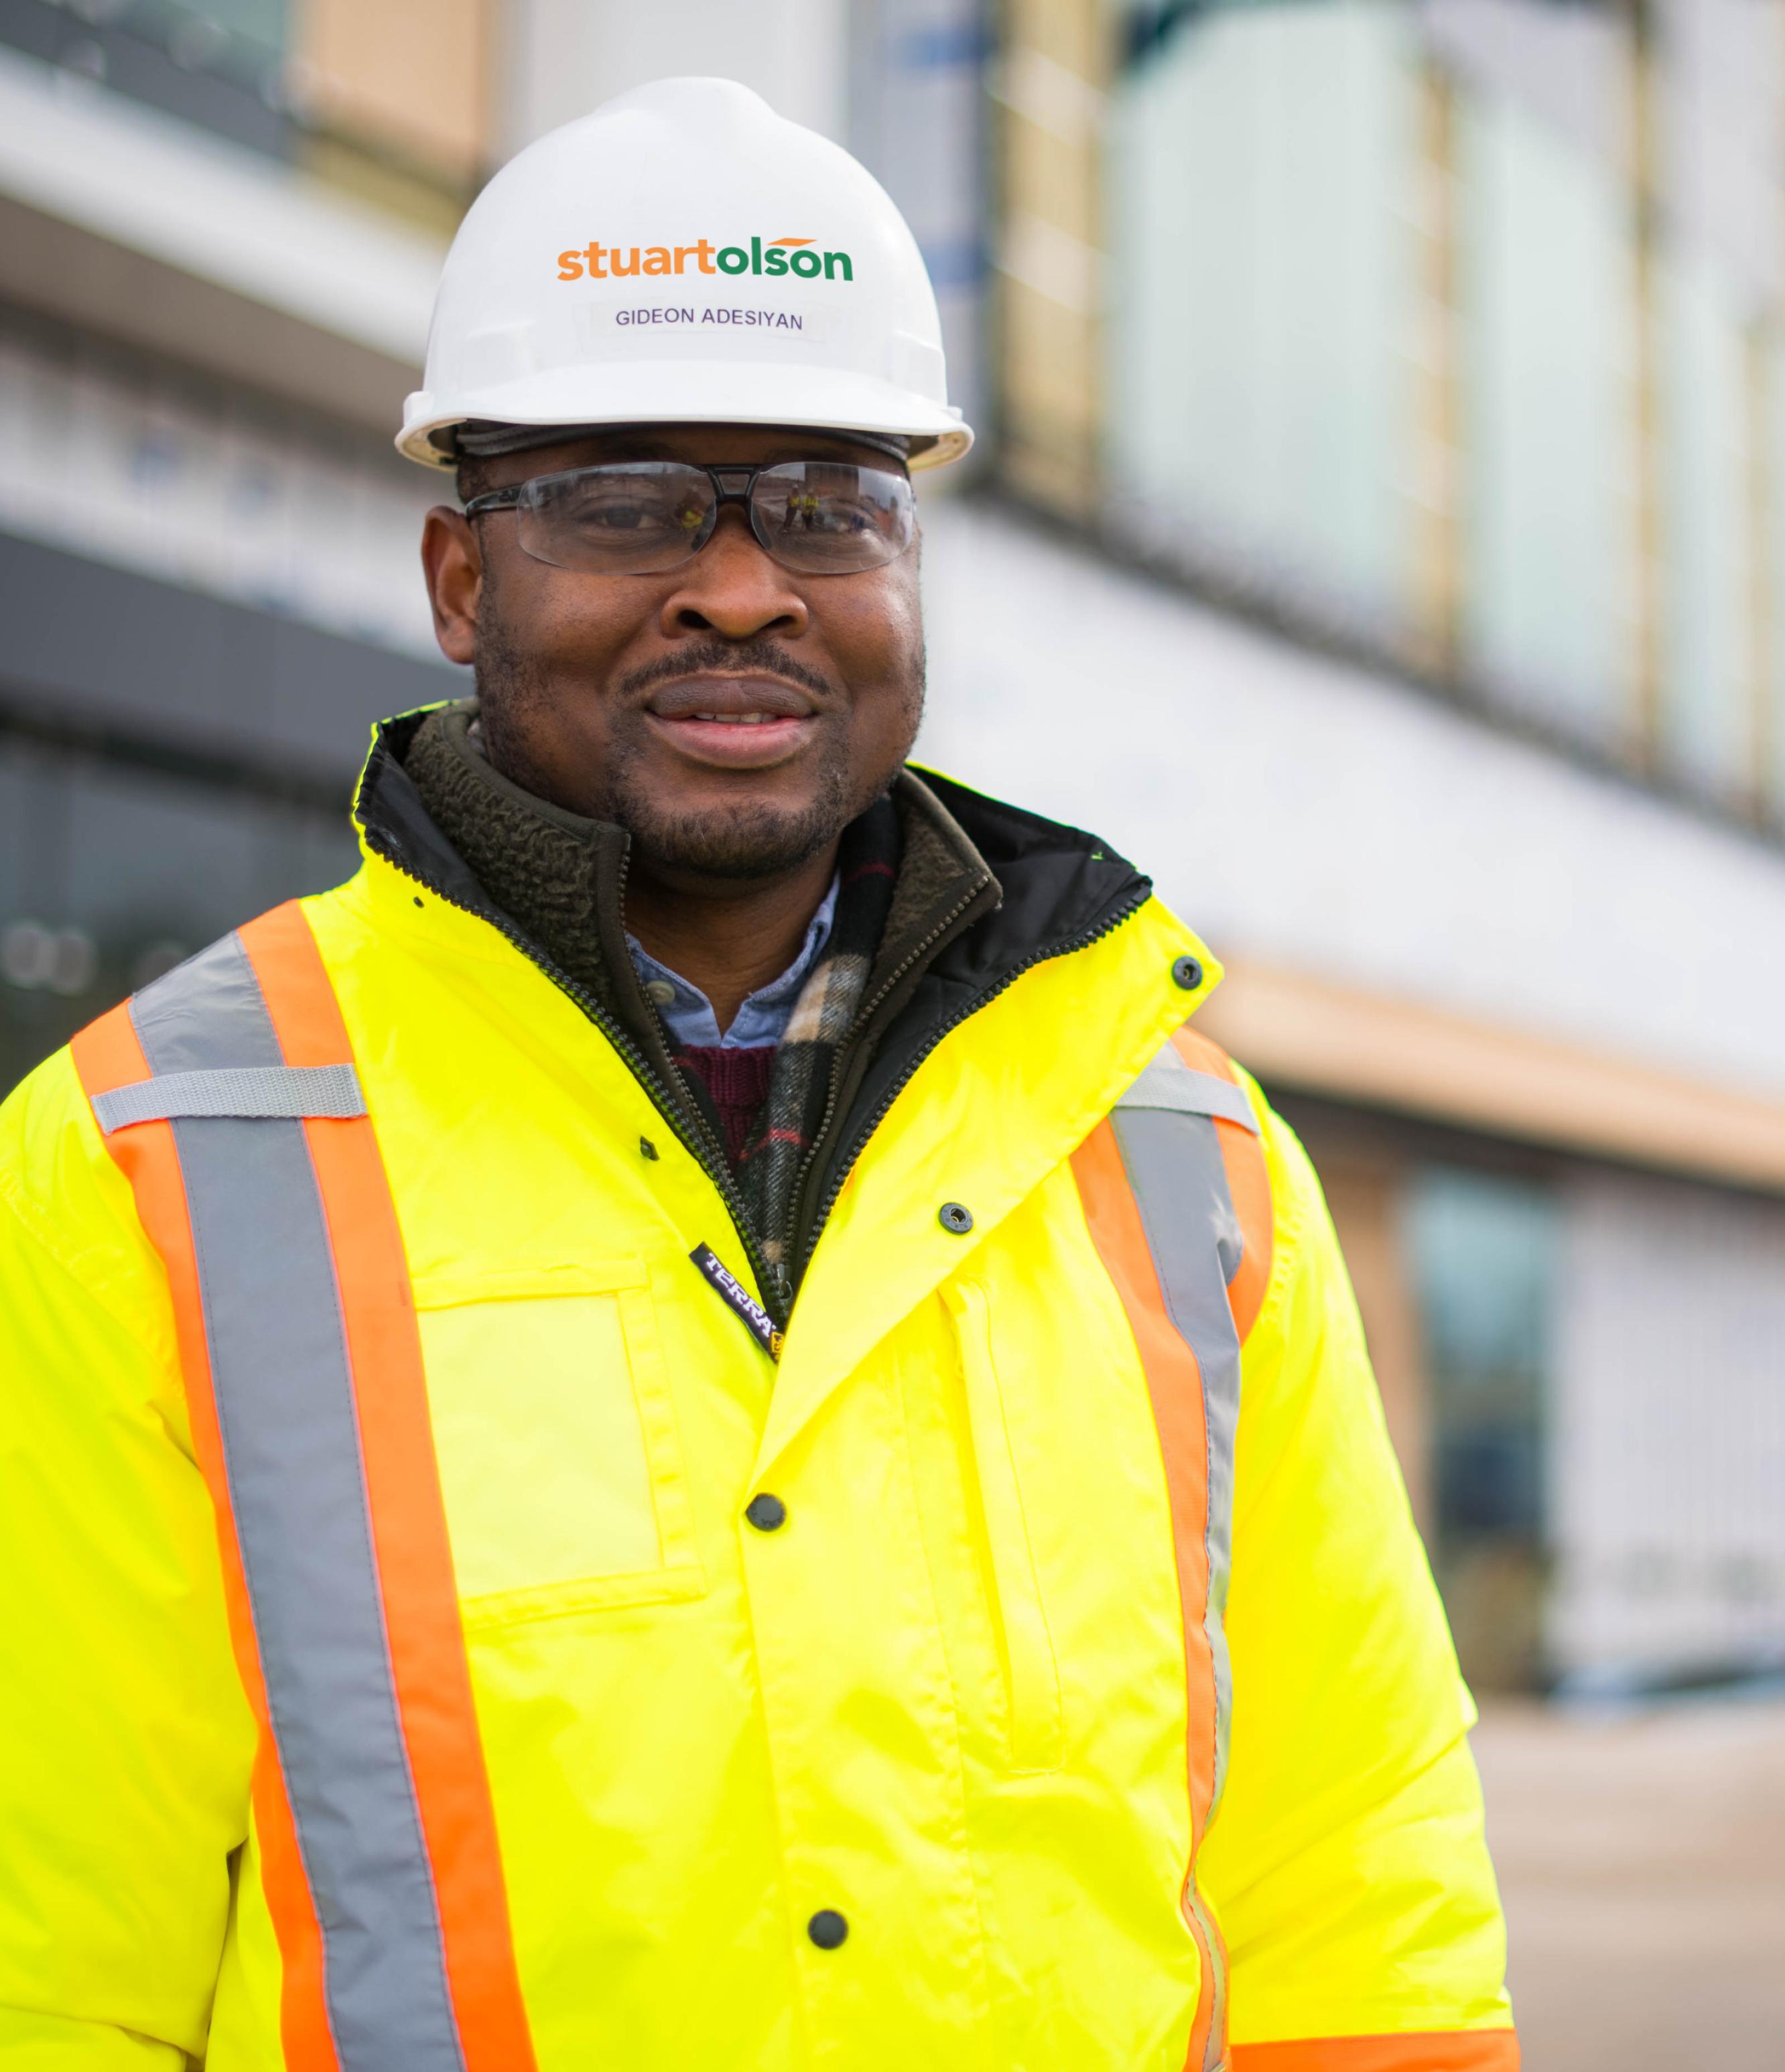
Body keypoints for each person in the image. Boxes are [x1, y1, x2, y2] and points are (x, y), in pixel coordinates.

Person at [0, 77, 1516, 2072]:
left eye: (824, 502)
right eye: (627, 500)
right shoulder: (141, 1165)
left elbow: (1359, 1900)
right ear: (463, 578)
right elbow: (52, 1972)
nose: (740, 585)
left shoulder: (1190, 1154)